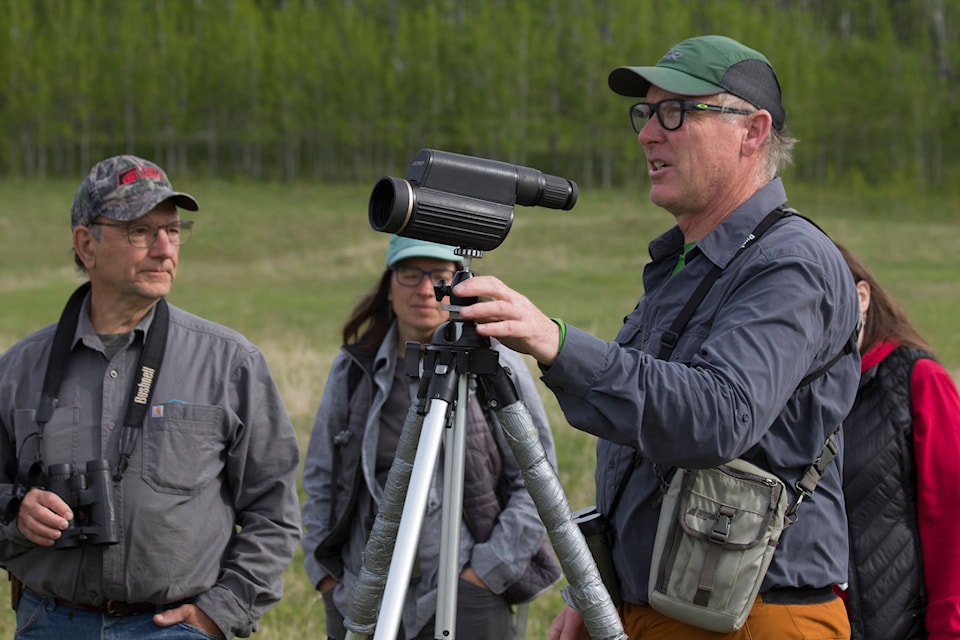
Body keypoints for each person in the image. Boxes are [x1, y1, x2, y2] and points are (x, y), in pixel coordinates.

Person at [452, 34, 862, 639]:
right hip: (667, 604)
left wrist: (558, 342)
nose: (648, 133)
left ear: (752, 131)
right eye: (645, 113)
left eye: (677, 112)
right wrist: (602, 586)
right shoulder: (687, 261)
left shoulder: (791, 263)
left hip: (754, 618)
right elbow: (648, 447)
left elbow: (716, 416)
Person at [0, 155, 302, 639]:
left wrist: (221, 613)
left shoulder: (229, 362)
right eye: (140, 231)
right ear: (86, 244)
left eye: (174, 230)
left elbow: (275, 509)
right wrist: (18, 513)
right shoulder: (18, 369)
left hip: (175, 628)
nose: (165, 248)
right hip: (52, 621)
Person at [301, 235, 560, 640]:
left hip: (465, 587)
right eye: (409, 273)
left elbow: (537, 478)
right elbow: (320, 478)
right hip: (363, 591)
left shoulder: (496, 363)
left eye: (439, 276)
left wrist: (485, 572)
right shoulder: (354, 369)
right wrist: (327, 578)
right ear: (388, 284)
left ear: (460, 287)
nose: (424, 289)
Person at [835, 244, 960, 639]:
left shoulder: (918, 381)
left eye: (827, 304)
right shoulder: (799, 399)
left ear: (862, 296)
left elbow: (953, 526)